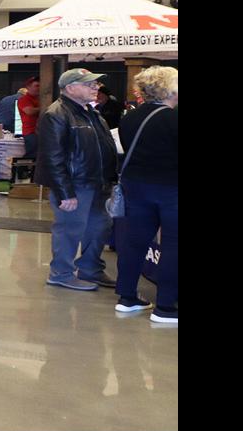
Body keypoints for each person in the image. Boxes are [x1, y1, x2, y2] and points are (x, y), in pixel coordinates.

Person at [40, 67, 119, 291]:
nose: (96, 87)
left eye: (96, 84)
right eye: (89, 84)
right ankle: (61, 273)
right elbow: (53, 157)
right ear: (70, 88)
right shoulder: (56, 114)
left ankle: (91, 269)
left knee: (99, 227)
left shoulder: (91, 112)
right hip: (76, 184)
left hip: (97, 182)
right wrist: (65, 193)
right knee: (69, 229)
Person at [113, 66, 178, 325]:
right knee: (173, 244)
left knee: (134, 242)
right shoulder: (173, 119)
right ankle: (165, 307)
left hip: (136, 187)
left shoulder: (129, 118)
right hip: (170, 188)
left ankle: (127, 297)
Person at [18, 76, 42, 159]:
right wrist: (45, 108)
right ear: (28, 87)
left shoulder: (39, 99)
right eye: (37, 86)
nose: (39, 88)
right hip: (31, 132)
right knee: (32, 154)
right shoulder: (24, 99)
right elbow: (29, 111)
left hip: (40, 131)